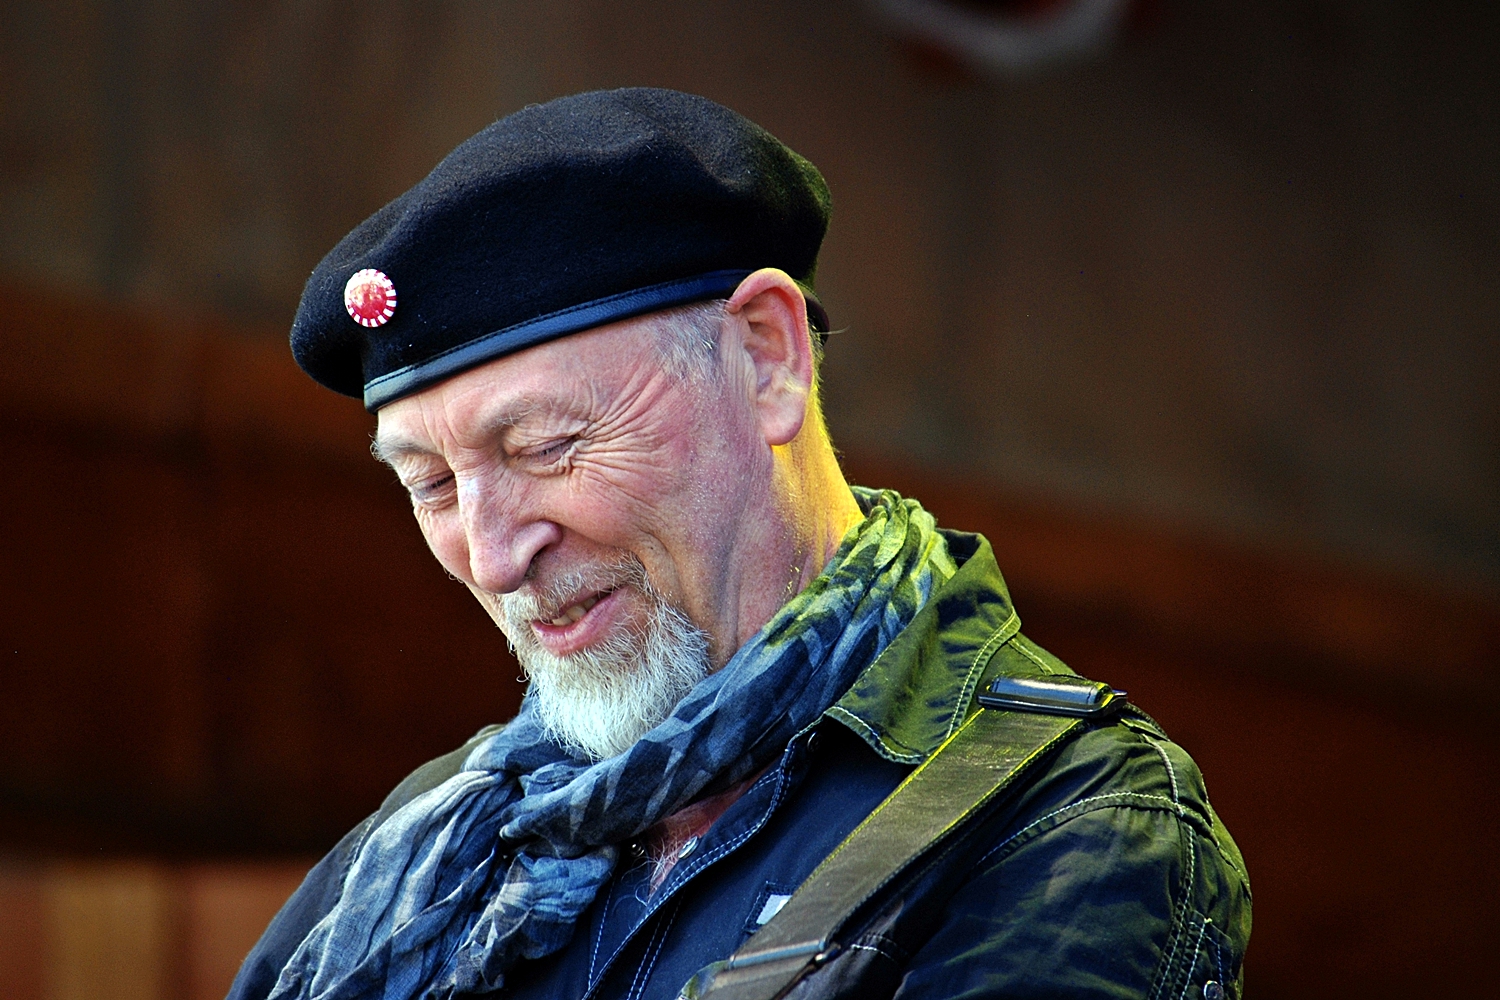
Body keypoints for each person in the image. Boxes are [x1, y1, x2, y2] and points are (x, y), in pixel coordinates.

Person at [229, 88, 1250, 1000]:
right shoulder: (423, 840)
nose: (494, 558)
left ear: (766, 357)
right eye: (433, 485)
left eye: (544, 446)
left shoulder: (1062, 826)